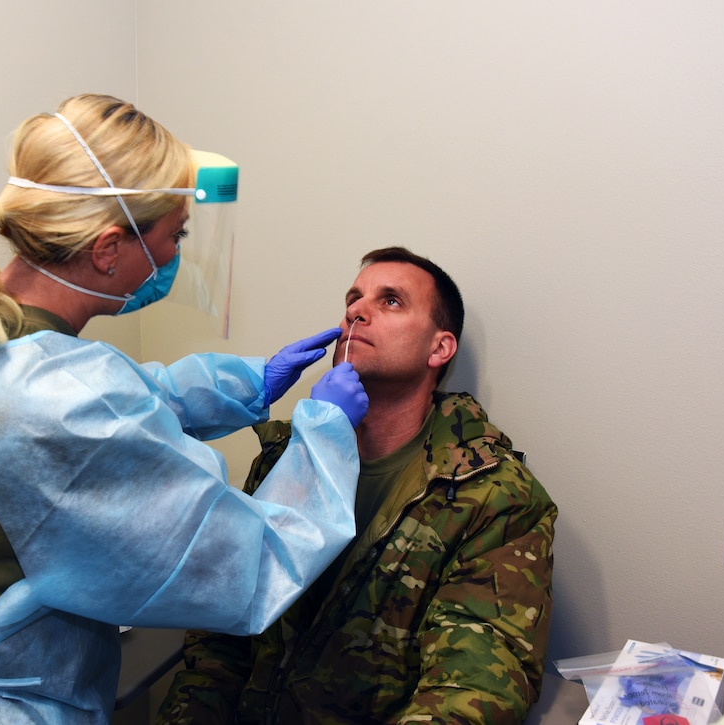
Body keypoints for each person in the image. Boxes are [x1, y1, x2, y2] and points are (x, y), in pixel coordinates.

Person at [0, 93, 370, 725]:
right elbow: (254, 563)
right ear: (107, 249)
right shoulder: (58, 402)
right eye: (173, 235)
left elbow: (117, 405)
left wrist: (252, 382)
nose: (172, 257)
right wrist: (325, 434)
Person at [158, 246, 558, 724]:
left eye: (390, 301)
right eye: (354, 298)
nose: (355, 311)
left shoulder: (494, 498)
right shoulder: (290, 455)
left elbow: (471, 689)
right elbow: (221, 636)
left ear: (440, 348)